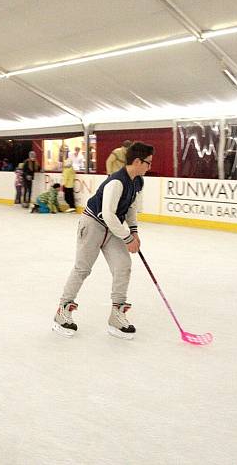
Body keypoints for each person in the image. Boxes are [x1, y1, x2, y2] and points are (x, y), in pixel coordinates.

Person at [53, 141, 154, 340]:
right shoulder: (117, 181)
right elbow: (108, 214)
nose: (150, 167)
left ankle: (116, 316)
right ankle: (62, 312)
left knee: (123, 265)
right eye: (148, 163)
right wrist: (127, 238)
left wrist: (134, 232)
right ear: (137, 161)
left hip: (112, 228)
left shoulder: (137, 181)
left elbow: (131, 208)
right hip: (93, 224)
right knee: (82, 269)